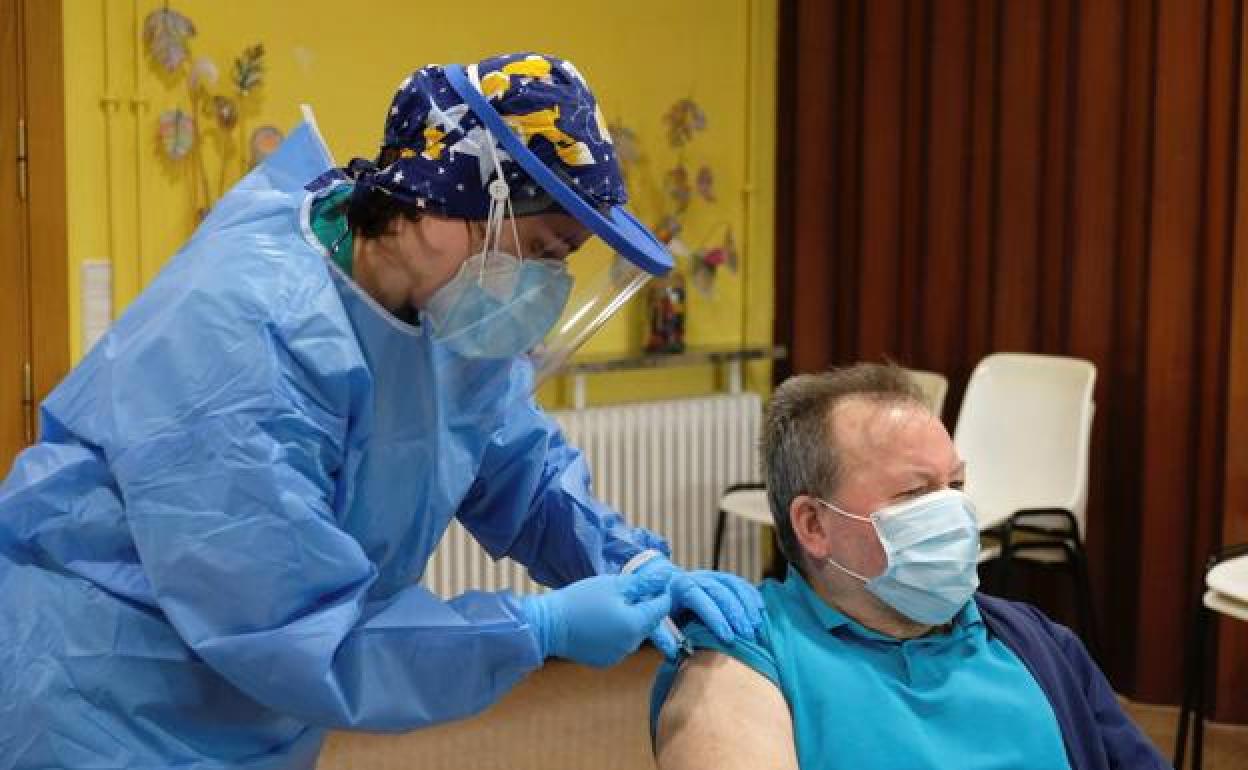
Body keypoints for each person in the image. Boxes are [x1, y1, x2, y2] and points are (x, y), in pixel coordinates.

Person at [0, 52, 762, 769]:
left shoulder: (441, 310)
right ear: (445, 203)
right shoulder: (242, 341)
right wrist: (536, 630)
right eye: (541, 249)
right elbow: (295, 632)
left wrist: (629, 561)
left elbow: (518, 469)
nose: (545, 284)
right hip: (102, 698)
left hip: (250, 706)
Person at [652, 364, 1168, 770]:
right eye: (915, 492)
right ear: (813, 525)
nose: (955, 513)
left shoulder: (1036, 643)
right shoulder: (747, 654)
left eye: (957, 486)